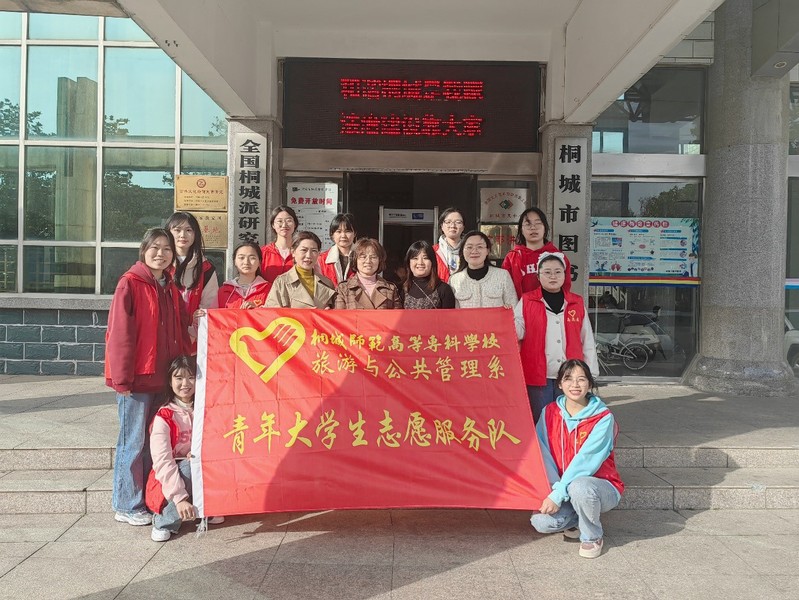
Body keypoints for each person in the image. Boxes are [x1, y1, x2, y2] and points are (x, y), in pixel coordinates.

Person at [105, 228, 190, 526]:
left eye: (166, 249)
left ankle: (149, 499)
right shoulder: (130, 283)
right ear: (143, 250)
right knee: (132, 442)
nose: (160, 253)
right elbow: (119, 335)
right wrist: (121, 380)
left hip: (162, 380)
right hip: (137, 381)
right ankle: (126, 504)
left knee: (154, 444)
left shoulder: (169, 286)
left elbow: (180, 327)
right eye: (155, 247)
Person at [530, 359, 624, 559]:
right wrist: (554, 490)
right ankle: (578, 518)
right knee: (540, 522)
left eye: (581, 379)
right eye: (568, 379)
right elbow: (543, 454)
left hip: (600, 487)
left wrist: (558, 495)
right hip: (563, 489)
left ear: (589, 384)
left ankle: (592, 536)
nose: (575, 385)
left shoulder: (603, 417)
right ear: (559, 383)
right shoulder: (549, 413)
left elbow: (586, 461)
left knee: (579, 486)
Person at [146, 355, 224, 542]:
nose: (185, 383)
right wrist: (180, 498)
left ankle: (204, 509)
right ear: (170, 381)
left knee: (204, 461)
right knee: (191, 466)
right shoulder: (164, 417)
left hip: (198, 470)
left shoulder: (206, 410)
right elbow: (163, 462)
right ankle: (164, 521)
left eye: (191, 377)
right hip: (168, 480)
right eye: (179, 378)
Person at [514, 251, 597, 422]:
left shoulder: (576, 302)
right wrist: (503, 318)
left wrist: (591, 373)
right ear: (538, 276)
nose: (553, 276)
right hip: (538, 375)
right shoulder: (527, 301)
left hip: (571, 375)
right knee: (541, 419)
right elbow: (517, 332)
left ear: (565, 275)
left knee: (568, 419)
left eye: (558, 272)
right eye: (547, 272)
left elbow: (587, 339)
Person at [165, 211, 219, 348]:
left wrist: (191, 333)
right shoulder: (160, 265)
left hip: (193, 343)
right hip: (162, 339)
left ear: (196, 234)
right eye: (177, 230)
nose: (183, 235)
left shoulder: (206, 269)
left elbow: (209, 308)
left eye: (189, 230)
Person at [502, 207, 572, 298]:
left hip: (550, 307)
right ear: (521, 230)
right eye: (528, 224)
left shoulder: (558, 257)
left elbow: (565, 287)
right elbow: (505, 288)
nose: (533, 228)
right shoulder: (512, 257)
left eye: (538, 223)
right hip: (520, 306)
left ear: (545, 228)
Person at [266, 231, 337, 308]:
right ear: (293, 252)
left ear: (318, 253)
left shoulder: (327, 283)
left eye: (314, 251)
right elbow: (272, 312)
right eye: (304, 250)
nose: (308, 256)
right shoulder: (282, 282)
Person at [449, 230, 517, 308]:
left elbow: (514, 308)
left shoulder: (503, 276)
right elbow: (453, 313)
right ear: (462, 251)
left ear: (488, 250)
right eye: (469, 247)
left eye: (480, 247)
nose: (474, 251)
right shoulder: (454, 280)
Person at [334, 238, 401, 309]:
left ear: (380, 261)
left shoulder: (390, 289)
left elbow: (397, 315)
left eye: (373, 257)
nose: (368, 261)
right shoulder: (343, 288)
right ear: (355, 260)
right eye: (363, 257)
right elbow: (339, 315)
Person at [401, 240, 457, 309]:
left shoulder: (443, 289)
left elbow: (449, 315)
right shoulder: (403, 289)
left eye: (425, 258)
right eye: (415, 258)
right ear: (408, 262)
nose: (420, 263)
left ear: (432, 262)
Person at [218, 242, 272, 309]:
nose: (246, 262)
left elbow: (275, 313)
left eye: (252, 258)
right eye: (241, 258)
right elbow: (211, 313)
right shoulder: (223, 291)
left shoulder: (270, 290)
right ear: (234, 261)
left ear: (259, 262)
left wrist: (258, 309)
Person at [260, 205, 298, 283]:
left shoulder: (301, 252)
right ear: (273, 225)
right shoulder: (263, 253)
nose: (284, 225)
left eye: (289, 220)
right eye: (279, 221)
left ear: (295, 224)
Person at [318, 213, 357, 285]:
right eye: (339, 231)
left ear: (355, 234)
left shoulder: (362, 256)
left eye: (347, 231)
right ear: (332, 235)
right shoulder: (322, 259)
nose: (343, 235)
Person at [433, 207, 465, 281]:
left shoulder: (471, 252)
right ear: (442, 226)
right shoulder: (432, 251)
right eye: (448, 222)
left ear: (463, 227)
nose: (453, 226)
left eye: (458, 222)